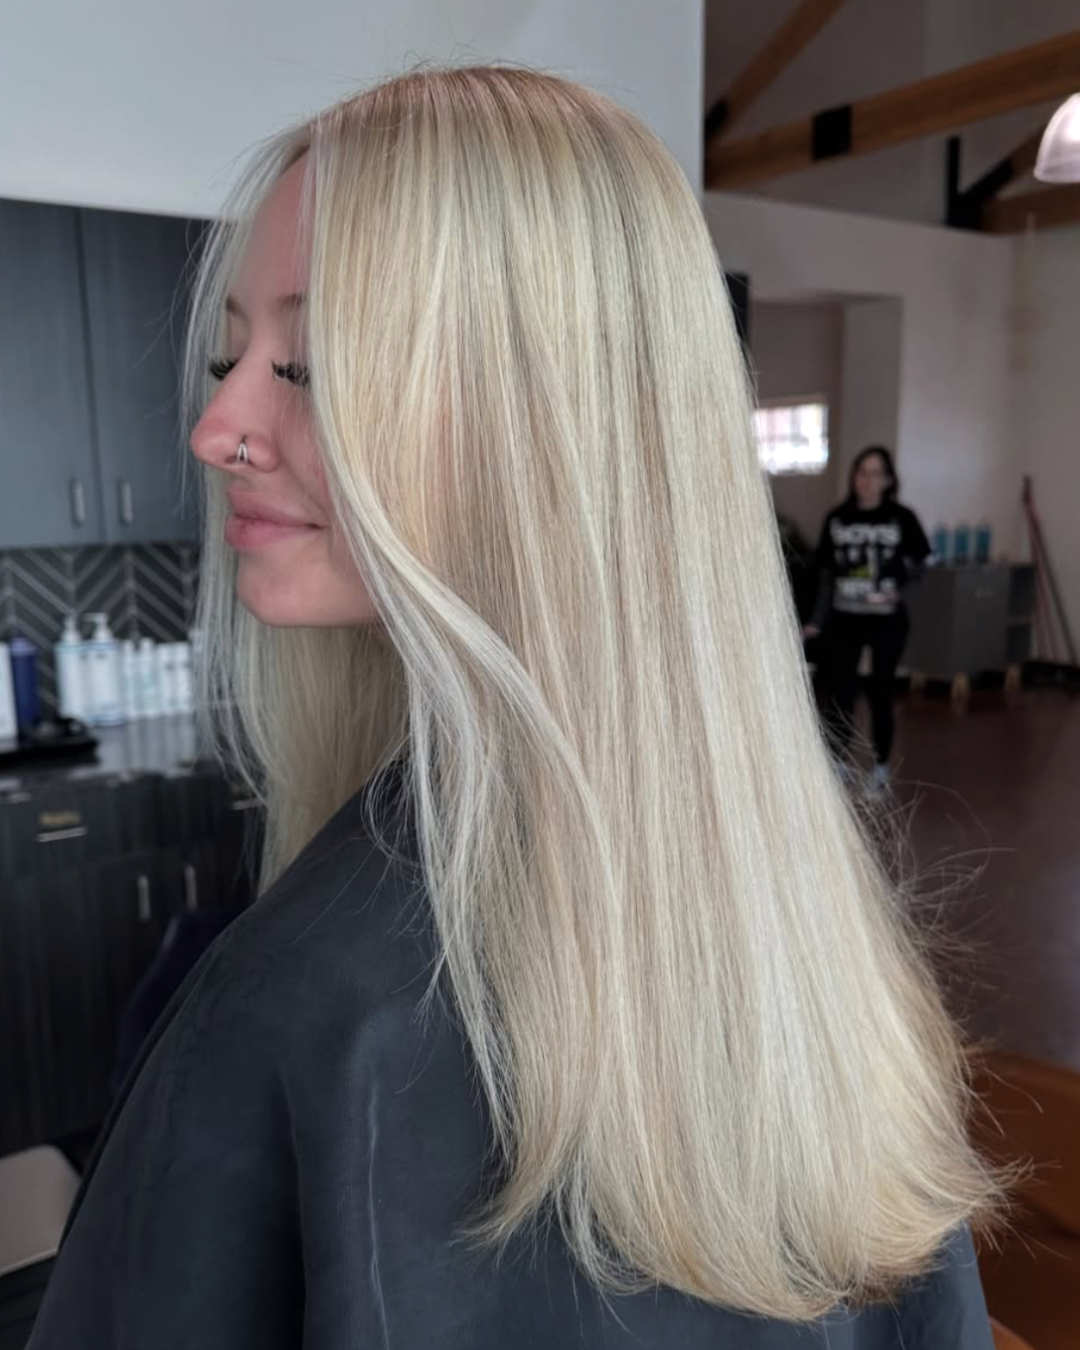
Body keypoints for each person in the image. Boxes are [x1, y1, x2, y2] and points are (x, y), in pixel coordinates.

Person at [28, 68, 997, 1348]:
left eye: (309, 363)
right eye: (230, 358)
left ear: (543, 418)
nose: (218, 424)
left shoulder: (298, 1001)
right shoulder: (810, 926)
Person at [804, 446, 931, 794]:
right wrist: (816, 620)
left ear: (888, 479)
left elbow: (922, 564)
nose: (867, 480)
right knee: (840, 692)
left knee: (880, 691)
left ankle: (880, 767)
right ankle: (839, 762)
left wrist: (900, 592)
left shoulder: (902, 518)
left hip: (887, 621)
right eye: (861, 472)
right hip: (844, 619)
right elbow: (826, 576)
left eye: (875, 473)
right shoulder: (837, 518)